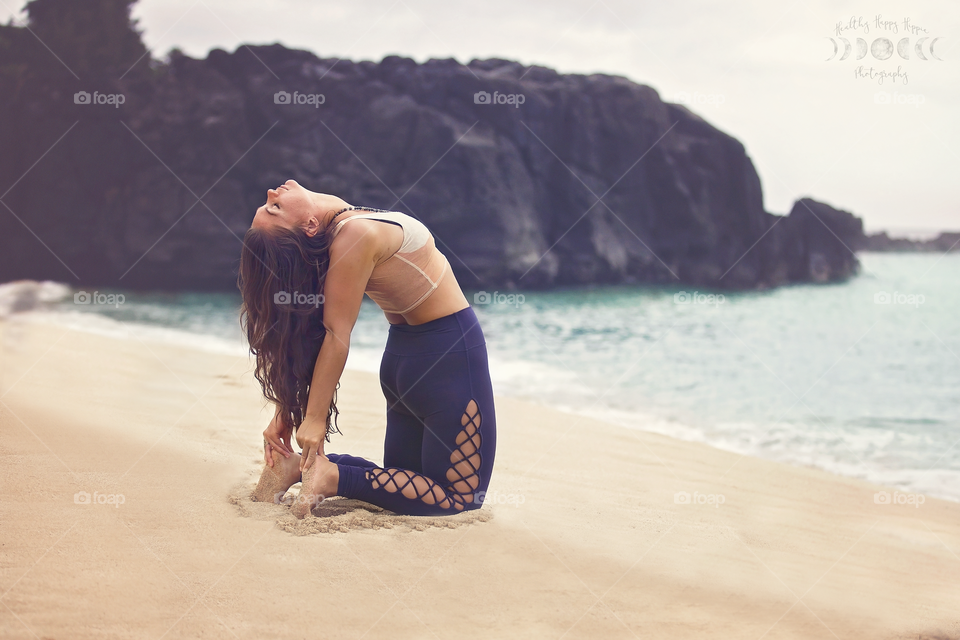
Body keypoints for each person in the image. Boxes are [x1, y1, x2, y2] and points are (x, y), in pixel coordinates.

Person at [239, 180, 496, 518]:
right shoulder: (354, 234)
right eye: (274, 208)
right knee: (462, 498)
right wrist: (312, 419)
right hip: (449, 356)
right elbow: (334, 333)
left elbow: (316, 331)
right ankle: (328, 476)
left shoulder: (341, 232)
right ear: (310, 226)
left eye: (269, 202)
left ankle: (295, 469)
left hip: (404, 361)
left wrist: (287, 412)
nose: (272, 193)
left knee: (410, 482)